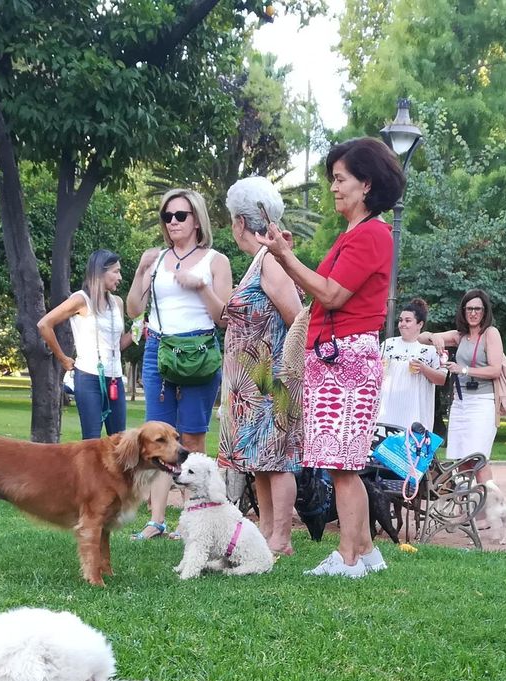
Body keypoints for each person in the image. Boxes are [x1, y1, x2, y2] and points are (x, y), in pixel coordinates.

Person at [256, 137, 404, 578]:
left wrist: (284, 255)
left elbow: (331, 294)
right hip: (337, 356)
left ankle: (349, 558)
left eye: (340, 179)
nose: (334, 188)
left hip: (347, 359)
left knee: (342, 463)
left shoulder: (372, 234)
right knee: (340, 460)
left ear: (366, 184)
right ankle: (365, 553)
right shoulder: (357, 235)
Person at [126, 188, 233, 539]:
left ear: (197, 219)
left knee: (192, 437)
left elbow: (224, 318)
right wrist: (142, 269)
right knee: (158, 440)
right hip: (159, 349)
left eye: (180, 215)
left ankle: (192, 519)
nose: (172, 222)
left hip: (199, 352)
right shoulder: (156, 259)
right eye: (167, 216)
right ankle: (156, 520)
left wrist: (201, 286)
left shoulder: (215, 260)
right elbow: (133, 310)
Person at [216, 177, 305, 557]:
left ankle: (281, 538)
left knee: (277, 457)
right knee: (260, 461)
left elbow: (296, 317)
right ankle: (267, 531)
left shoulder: (270, 260)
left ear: (240, 221)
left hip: (271, 379)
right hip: (251, 383)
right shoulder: (258, 261)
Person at [37, 249, 133, 441]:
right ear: (99, 272)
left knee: (120, 440)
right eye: (116, 271)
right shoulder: (81, 300)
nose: (120, 277)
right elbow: (44, 324)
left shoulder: (117, 303)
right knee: (91, 442)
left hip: (114, 378)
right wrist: (63, 358)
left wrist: (135, 334)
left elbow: (117, 346)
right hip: (89, 378)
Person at [431, 290, 506, 486]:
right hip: (460, 403)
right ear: (463, 311)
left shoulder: (491, 333)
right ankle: (466, 510)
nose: (473, 313)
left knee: (477, 458)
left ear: (484, 311)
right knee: (461, 461)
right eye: (469, 309)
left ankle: (488, 507)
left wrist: (463, 370)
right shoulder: (460, 336)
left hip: (482, 402)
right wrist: (435, 337)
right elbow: (422, 337)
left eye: (477, 309)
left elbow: (495, 370)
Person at [377, 298, 446, 432]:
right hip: (386, 413)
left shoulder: (430, 349)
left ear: (420, 324)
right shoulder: (388, 344)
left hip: (416, 413)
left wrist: (424, 369)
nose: (402, 324)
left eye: (408, 321)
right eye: (401, 320)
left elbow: (442, 379)